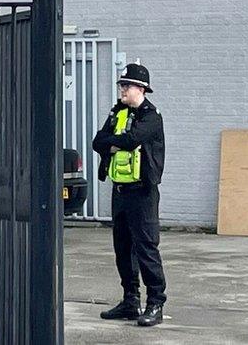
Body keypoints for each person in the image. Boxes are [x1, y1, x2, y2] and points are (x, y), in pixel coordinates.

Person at [92, 62, 166, 327]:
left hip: (143, 193)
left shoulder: (151, 116)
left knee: (146, 249)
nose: (122, 89)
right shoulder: (117, 113)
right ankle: (130, 301)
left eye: (127, 85)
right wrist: (111, 144)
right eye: (121, 85)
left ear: (141, 89)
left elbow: (133, 139)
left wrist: (112, 144)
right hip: (120, 192)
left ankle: (155, 303)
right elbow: (97, 141)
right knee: (122, 249)